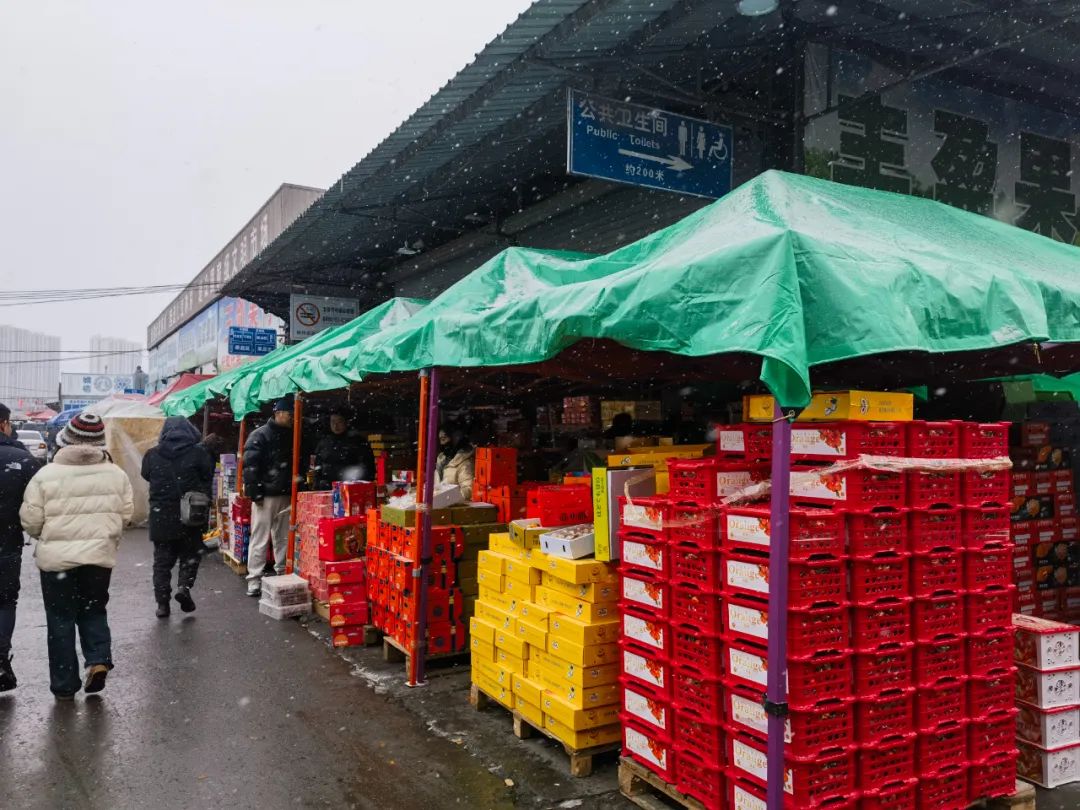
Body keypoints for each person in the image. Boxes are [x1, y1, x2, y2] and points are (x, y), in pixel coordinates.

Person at [20, 413, 133, 700]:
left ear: (64, 441)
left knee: (60, 619)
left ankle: (64, 684)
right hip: (98, 558)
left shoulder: (45, 475)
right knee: (94, 610)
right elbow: (126, 515)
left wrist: (46, 535)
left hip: (56, 561)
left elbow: (31, 520)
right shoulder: (116, 474)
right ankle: (97, 659)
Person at [141, 417, 214, 618]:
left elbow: (146, 474)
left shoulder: (152, 454)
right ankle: (184, 587)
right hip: (190, 513)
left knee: (162, 563)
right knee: (190, 556)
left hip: (161, 515)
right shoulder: (199, 453)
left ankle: (162, 604)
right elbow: (207, 476)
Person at [0, 402, 39, 692]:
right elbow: (37, 503)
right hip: (7, 543)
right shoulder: (22, 459)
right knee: (4, 601)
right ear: (4, 424)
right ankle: (1, 660)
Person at [242, 396, 294, 597]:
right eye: (290, 414)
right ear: (279, 413)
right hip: (266, 495)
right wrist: (255, 493)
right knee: (260, 537)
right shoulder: (260, 435)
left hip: (284, 493)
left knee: (282, 537)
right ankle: (254, 579)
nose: (292, 419)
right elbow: (250, 466)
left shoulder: (289, 435)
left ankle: (281, 571)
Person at [312, 408, 375, 490]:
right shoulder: (324, 442)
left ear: (346, 422)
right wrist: (317, 483)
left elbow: (367, 466)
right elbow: (318, 465)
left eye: (339, 421)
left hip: (350, 488)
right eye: (333, 422)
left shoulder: (357, 442)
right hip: (326, 487)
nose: (335, 425)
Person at [435, 425, 475, 500]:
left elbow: (469, 490)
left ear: (455, 439)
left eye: (444, 439)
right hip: (441, 507)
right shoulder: (441, 460)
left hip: (456, 508)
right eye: (440, 440)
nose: (441, 443)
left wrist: (447, 499)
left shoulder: (465, 463)